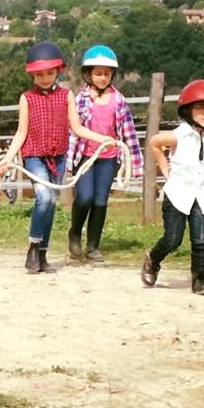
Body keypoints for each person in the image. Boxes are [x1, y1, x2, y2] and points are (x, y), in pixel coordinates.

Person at [0, 42, 111, 275]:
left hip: (58, 158)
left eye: (49, 73)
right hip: (34, 156)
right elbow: (21, 132)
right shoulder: (26, 98)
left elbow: (77, 128)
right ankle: (33, 246)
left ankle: (42, 254)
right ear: (32, 74)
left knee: (50, 204)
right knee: (44, 197)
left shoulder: (66, 96)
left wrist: (103, 138)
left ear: (58, 71)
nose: (45, 78)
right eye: (39, 74)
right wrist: (7, 158)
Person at [141, 79, 204, 296]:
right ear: (187, 110)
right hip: (178, 195)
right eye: (200, 108)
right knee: (173, 240)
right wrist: (163, 165)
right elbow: (154, 142)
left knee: (201, 239)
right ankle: (152, 259)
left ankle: (200, 279)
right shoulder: (179, 135)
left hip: (202, 196)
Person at [66, 45, 144, 262]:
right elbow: (72, 129)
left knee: (100, 200)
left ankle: (93, 245)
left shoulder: (118, 100)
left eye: (107, 74)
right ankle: (74, 232)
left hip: (108, 159)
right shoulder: (81, 99)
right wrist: (69, 160)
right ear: (88, 74)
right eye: (98, 73)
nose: (102, 78)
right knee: (84, 197)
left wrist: (135, 161)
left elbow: (128, 131)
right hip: (85, 156)